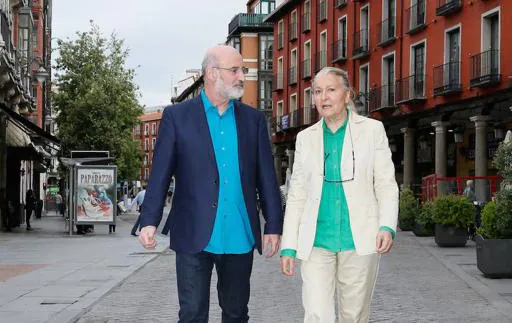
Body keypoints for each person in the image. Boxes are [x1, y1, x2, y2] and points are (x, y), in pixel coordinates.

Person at [138, 45, 282, 322]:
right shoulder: (177, 117)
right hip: (192, 232)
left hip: (239, 233)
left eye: (243, 70)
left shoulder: (253, 120)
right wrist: (149, 220)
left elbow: (267, 175)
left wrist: (273, 225)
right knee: (192, 314)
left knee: (237, 313)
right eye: (235, 70)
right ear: (212, 73)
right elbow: (160, 174)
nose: (242, 76)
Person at [280, 67, 399, 323]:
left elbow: (386, 184)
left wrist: (387, 226)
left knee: (354, 315)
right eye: (318, 92)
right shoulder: (305, 138)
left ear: (347, 95)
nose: (324, 97)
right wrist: (288, 246)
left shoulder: (372, 130)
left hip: (360, 239)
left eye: (331, 90)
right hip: (316, 241)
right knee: (316, 314)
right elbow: (297, 194)